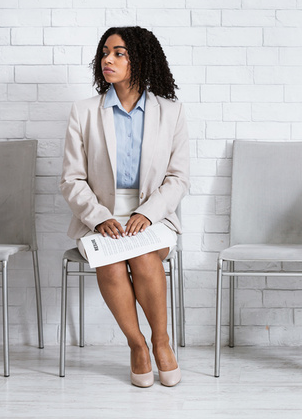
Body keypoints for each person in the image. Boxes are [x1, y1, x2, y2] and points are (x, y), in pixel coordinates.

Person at [60, 26, 189, 388]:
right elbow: (71, 179)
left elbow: (179, 178)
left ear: (140, 59)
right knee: (111, 261)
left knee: (145, 257)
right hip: (99, 215)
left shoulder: (171, 112)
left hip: (153, 213)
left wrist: (147, 213)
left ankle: (161, 341)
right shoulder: (84, 112)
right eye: (104, 53)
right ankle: (137, 346)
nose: (107, 60)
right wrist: (99, 218)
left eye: (118, 53)